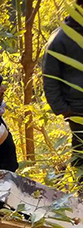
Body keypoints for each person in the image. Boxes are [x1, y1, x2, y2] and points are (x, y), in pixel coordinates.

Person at [43, 5, 83, 184]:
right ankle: (80, 192)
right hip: (78, 108)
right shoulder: (60, 38)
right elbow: (50, 77)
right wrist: (63, 109)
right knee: (81, 155)